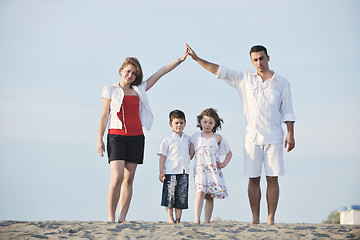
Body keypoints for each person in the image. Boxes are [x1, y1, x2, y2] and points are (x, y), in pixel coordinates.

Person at [186, 44, 296, 225]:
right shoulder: (244, 78)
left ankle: (270, 219)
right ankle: (255, 218)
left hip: (274, 136)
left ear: (268, 58)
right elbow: (219, 70)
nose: (259, 62)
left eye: (261, 58)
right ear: (251, 61)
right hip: (252, 137)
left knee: (272, 178)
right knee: (253, 179)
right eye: (255, 59)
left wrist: (290, 134)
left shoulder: (282, 83)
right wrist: (197, 59)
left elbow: (288, 112)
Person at [97, 49, 188, 223]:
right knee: (116, 178)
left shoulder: (139, 89)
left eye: (134, 73)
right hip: (116, 137)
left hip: (136, 137)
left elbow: (160, 73)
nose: (130, 75)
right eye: (128, 71)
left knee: (129, 179)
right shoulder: (109, 90)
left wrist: (180, 60)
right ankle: (110, 217)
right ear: (121, 70)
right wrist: (99, 139)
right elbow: (104, 115)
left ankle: (122, 219)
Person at [190, 108, 232, 224]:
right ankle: (196, 219)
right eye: (205, 122)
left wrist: (223, 164)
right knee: (200, 192)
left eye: (210, 123)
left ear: (215, 124)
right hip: (200, 170)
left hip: (213, 170)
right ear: (200, 122)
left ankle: (207, 221)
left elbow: (229, 153)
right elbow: (190, 154)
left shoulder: (218, 138)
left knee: (209, 196)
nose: (207, 125)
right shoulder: (196, 137)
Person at [158, 110, 193, 224]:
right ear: (171, 124)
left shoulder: (188, 139)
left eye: (181, 123)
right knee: (170, 196)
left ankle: (178, 219)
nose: (179, 125)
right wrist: (161, 171)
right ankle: (170, 218)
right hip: (170, 172)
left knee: (181, 196)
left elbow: (190, 153)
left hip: (183, 172)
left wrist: (189, 156)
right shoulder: (167, 140)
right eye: (176, 123)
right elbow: (162, 156)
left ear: (185, 123)